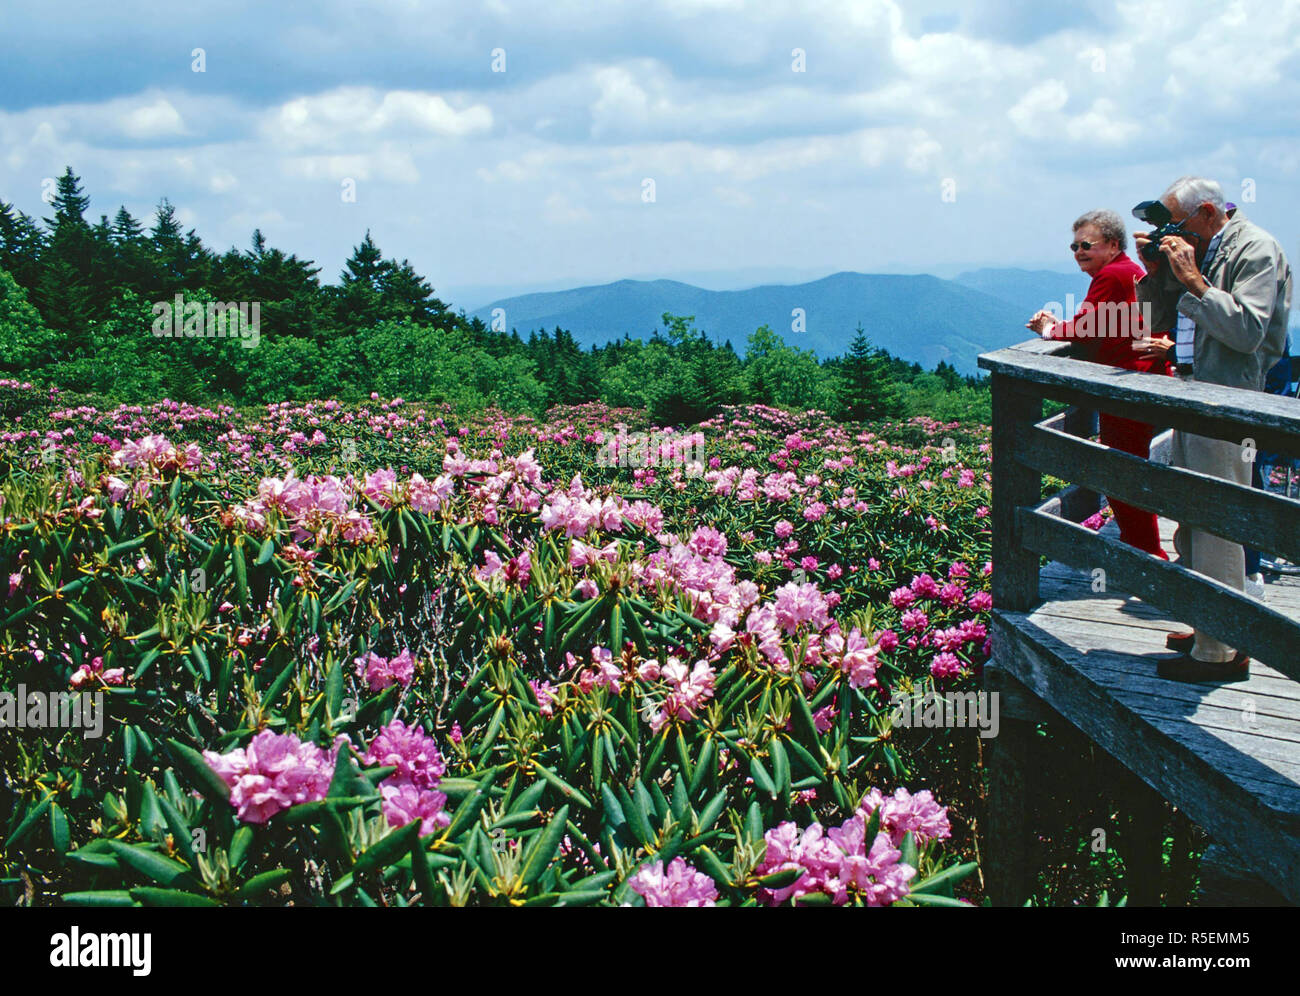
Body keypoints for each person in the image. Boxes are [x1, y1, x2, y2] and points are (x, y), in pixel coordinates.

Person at [1134, 176, 1293, 683]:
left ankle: (1221, 651)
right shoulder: (1207, 246)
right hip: (1194, 398)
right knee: (1192, 520)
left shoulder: (1257, 249)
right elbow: (1152, 320)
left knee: (1219, 526)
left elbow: (1247, 334)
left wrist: (1195, 281)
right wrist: (1156, 272)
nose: (1173, 234)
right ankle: (1210, 626)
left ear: (1207, 211)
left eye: (1176, 224)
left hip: (1229, 406)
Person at [1026, 209, 1173, 559]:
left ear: (1112, 244)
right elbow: (1099, 323)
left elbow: (1086, 328)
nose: (1079, 251)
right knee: (1127, 467)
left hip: (1126, 388)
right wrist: (1063, 324)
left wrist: (1047, 329)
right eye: (1074, 246)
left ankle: (1146, 552)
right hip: (1141, 382)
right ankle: (1143, 546)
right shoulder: (1126, 271)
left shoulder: (1112, 275)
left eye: (1087, 244)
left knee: (1121, 471)